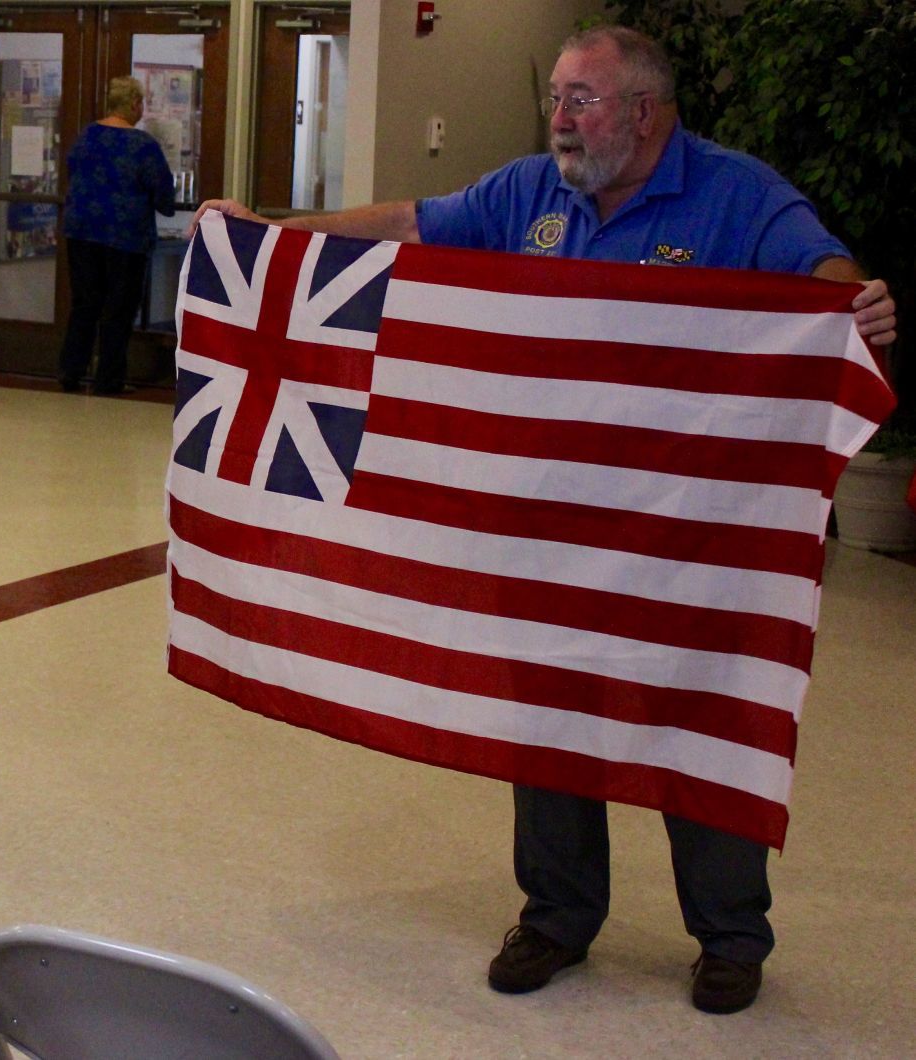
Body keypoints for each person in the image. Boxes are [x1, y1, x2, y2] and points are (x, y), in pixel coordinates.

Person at [192, 25, 896, 1015]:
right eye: (556, 98)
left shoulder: (738, 194)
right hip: (549, 526)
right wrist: (271, 230)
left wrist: (854, 305)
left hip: (683, 535)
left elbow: (819, 277)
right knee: (546, 720)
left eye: (581, 100)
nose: (559, 119)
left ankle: (730, 935)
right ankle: (557, 914)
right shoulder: (527, 194)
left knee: (696, 718)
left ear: (644, 111)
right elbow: (410, 223)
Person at [58, 74, 178, 395]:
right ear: (135, 104)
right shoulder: (142, 146)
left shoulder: (86, 137)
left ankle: (71, 370)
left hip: (81, 233)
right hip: (125, 238)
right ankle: (108, 379)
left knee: (84, 304)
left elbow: (72, 173)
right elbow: (164, 196)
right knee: (118, 309)